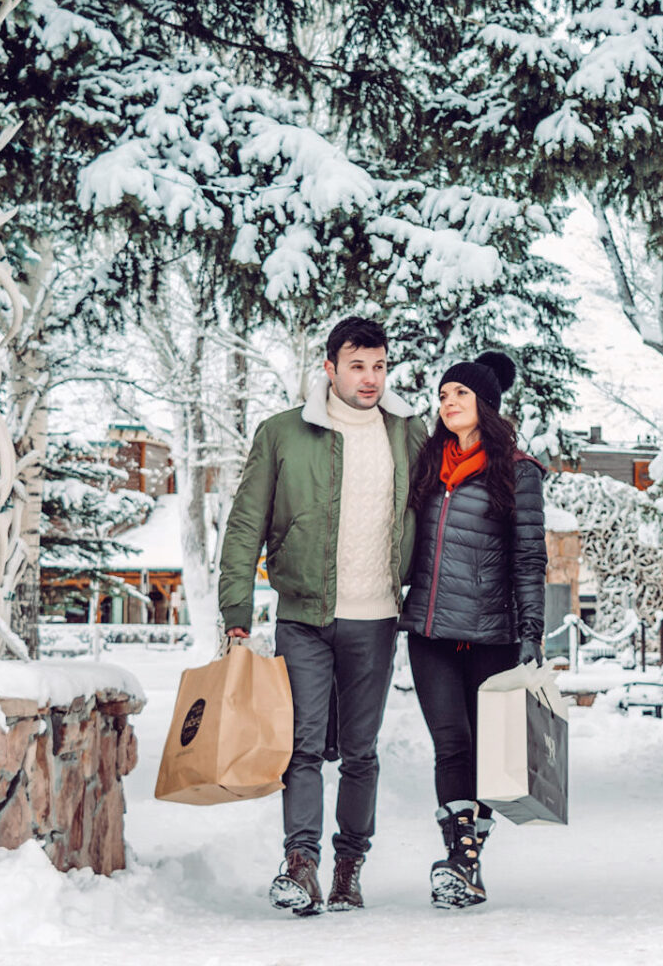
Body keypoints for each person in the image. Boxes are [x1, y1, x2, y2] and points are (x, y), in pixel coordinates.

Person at [219, 316, 427, 916]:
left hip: (377, 617)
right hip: (304, 616)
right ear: (330, 368)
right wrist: (237, 608)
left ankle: (348, 868)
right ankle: (300, 865)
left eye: (380, 366)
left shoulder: (407, 433)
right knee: (301, 745)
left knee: (360, 750)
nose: (370, 379)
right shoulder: (283, 433)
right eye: (357, 366)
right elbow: (244, 525)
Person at [397, 350, 546, 909]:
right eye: (442, 395)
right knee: (451, 745)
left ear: (485, 403)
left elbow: (530, 558)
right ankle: (463, 861)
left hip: (492, 633)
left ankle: (463, 863)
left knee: (486, 751)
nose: (448, 402)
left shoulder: (518, 470)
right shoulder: (427, 467)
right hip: (431, 631)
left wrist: (531, 631)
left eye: (459, 393)